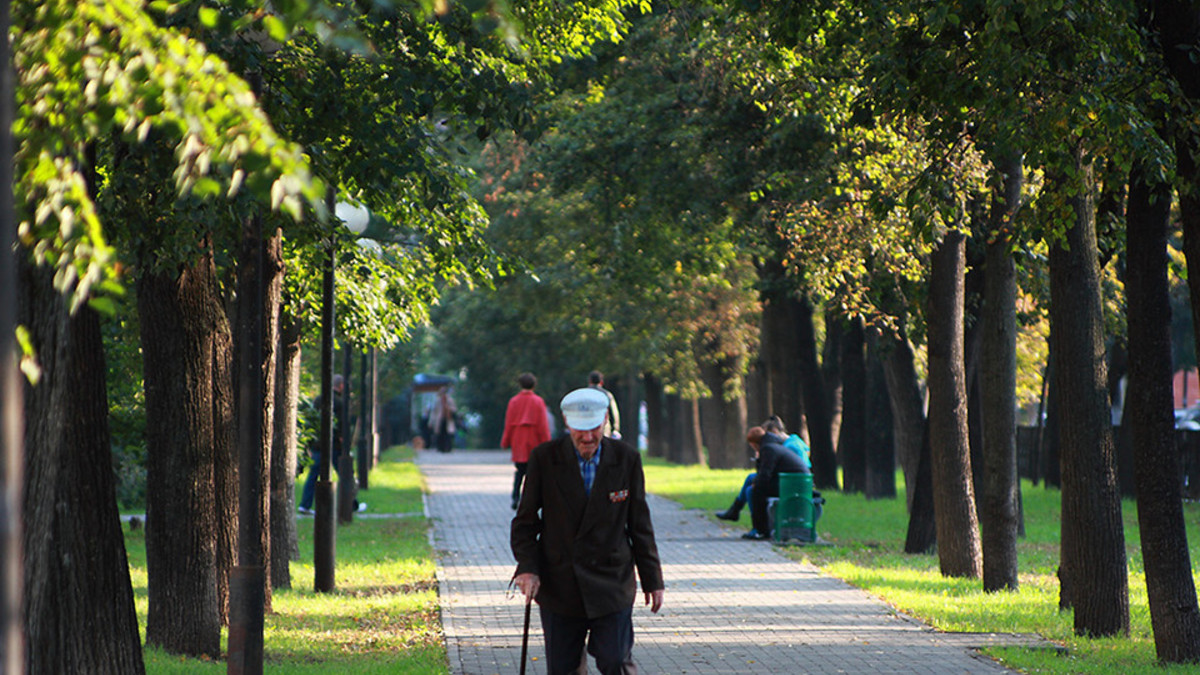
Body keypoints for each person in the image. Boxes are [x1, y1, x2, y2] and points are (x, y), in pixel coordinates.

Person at [512, 387, 665, 675]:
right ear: (567, 424)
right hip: (560, 584)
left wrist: (652, 579)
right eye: (580, 430)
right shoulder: (545, 458)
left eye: (594, 429)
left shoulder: (626, 458)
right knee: (563, 668)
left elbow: (640, 525)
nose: (588, 437)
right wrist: (528, 568)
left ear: (606, 419)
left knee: (616, 660)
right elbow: (525, 523)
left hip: (611, 581)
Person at [715, 418, 810, 527]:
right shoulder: (773, 446)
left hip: (793, 484)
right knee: (752, 480)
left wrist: (758, 480)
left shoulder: (781, 447)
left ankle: (758, 527)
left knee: (752, 490)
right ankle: (736, 511)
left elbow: (768, 473)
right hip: (789, 481)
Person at [298, 375, 365, 514]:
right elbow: (342, 425)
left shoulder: (317, 400)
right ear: (340, 386)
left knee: (313, 475)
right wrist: (344, 441)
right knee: (345, 475)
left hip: (318, 445)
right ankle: (352, 505)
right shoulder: (340, 402)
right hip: (334, 446)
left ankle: (305, 505)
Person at [745, 418, 808, 540]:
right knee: (756, 488)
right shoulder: (773, 445)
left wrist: (756, 483)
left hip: (794, 485)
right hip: (796, 483)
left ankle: (762, 530)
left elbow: (765, 475)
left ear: (753, 444)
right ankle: (760, 528)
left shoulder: (768, 449)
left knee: (756, 491)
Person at [501, 372, 551, 510]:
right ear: (534, 385)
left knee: (519, 471)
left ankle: (515, 497)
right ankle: (530, 499)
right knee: (534, 473)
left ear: (520, 385)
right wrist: (547, 443)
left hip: (519, 439)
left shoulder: (514, 401)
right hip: (534, 439)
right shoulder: (538, 401)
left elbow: (509, 423)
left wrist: (505, 442)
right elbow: (543, 425)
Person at [588, 370, 622, 438]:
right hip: (604, 429)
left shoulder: (584, 394)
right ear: (601, 382)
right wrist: (615, 429)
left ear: (589, 381)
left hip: (586, 429)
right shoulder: (607, 395)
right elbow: (613, 413)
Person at [428, 386, 458, 453]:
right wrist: (431, 421)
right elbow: (434, 412)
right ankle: (440, 447)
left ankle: (448, 447)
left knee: (448, 435)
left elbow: (454, 409)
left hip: (448, 419)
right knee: (440, 434)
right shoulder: (438, 401)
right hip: (440, 419)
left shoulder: (450, 400)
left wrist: (449, 409)